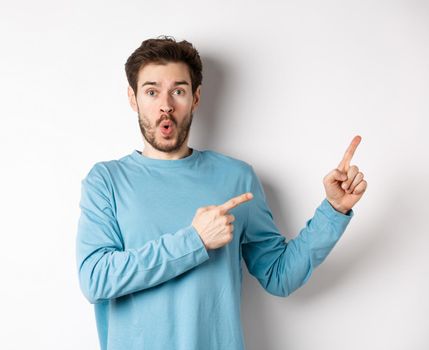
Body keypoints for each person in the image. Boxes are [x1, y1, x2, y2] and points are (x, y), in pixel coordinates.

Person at [75, 36, 367, 350]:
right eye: (151, 91)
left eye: (178, 91)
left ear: (196, 98)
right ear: (133, 98)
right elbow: (95, 280)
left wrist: (333, 211)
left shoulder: (235, 177)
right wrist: (194, 240)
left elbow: (279, 276)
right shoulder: (106, 180)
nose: (165, 105)